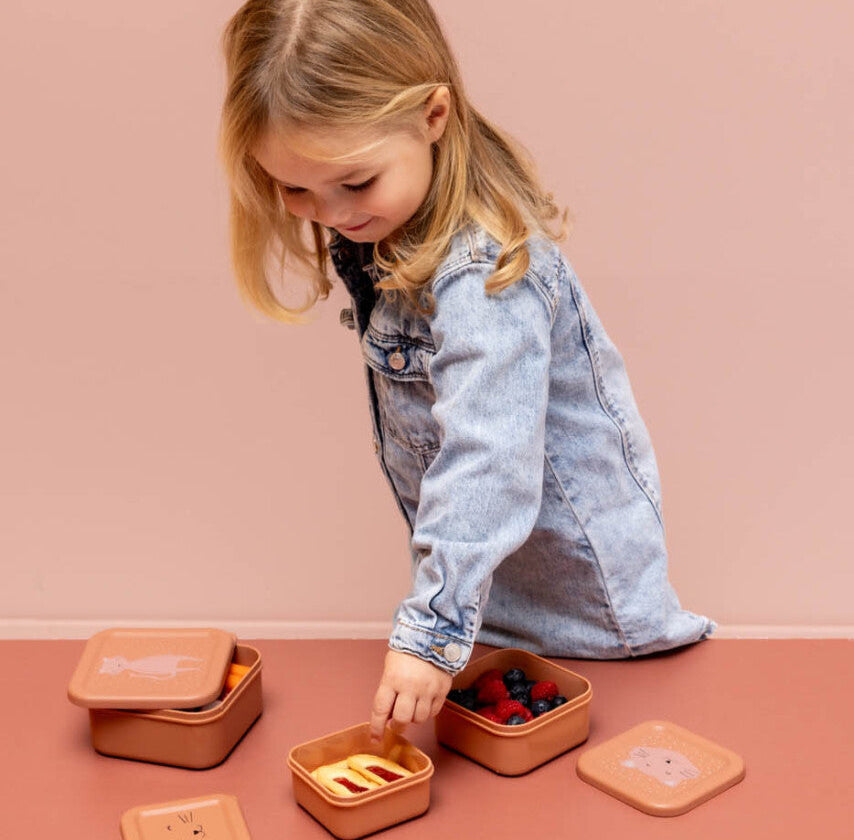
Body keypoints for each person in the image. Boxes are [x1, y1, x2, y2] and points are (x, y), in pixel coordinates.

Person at [218, 0, 715, 742]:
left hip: (586, 626)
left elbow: (489, 460)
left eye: (354, 183)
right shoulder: (391, 233)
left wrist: (431, 634)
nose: (329, 214)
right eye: (294, 189)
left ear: (433, 116)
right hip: (495, 613)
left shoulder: (487, 275)